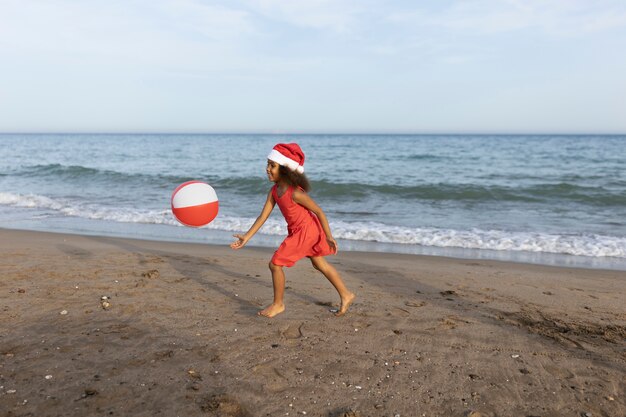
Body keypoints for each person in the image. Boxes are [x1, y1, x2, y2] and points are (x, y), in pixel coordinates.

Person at [230, 143, 356, 318]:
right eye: (267, 164)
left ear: (285, 169)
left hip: (306, 232)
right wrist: (246, 237)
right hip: (299, 231)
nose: (267, 169)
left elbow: (318, 211)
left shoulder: (295, 193)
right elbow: (262, 217)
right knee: (319, 264)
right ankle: (346, 294)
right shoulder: (274, 191)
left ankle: (278, 304)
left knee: (275, 264)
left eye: (272, 166)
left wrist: (329, 236)